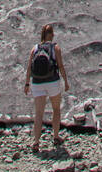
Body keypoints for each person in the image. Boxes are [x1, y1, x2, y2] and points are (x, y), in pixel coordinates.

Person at [25, 24, 69, 152]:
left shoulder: (35, 48)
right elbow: (60, 66)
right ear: (52, 34)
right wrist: (66, 81)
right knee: (56, 109)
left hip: (37, 83)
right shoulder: (55, 47)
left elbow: (29, 68)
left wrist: (27, 84)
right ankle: (55, 137)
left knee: (39, 113)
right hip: (52, 82)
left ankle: (36, 143)